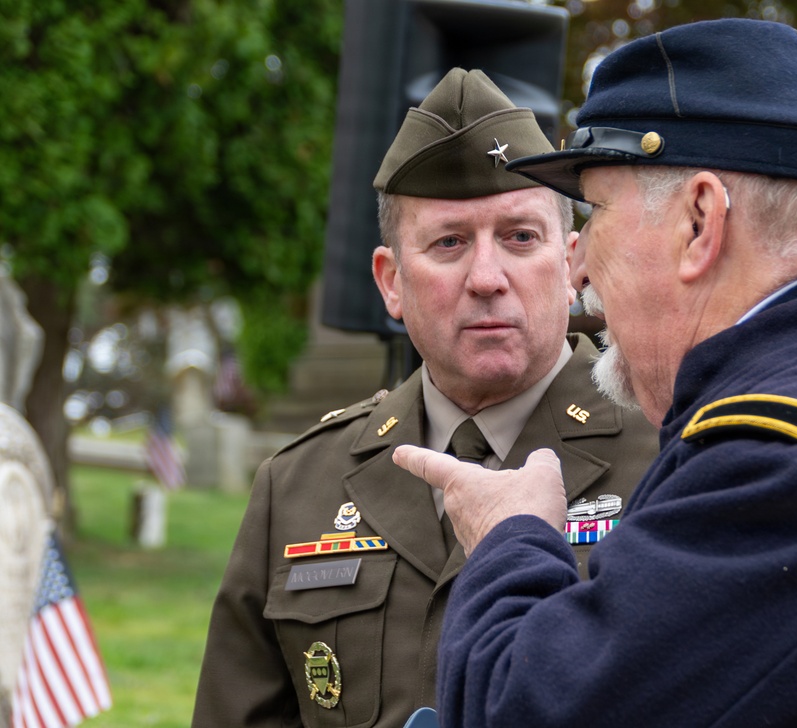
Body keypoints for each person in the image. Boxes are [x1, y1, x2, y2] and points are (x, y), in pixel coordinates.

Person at [392, 19, 797, 727]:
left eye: (599, 213)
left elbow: (528, 709)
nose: (577, 267)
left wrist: (511, 535)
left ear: (699, 221)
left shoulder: (790, 462)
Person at [192, 68, 658, 727]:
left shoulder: (669, 453)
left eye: (521, 238)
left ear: (570, 263)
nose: (488, 278)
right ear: (391, 282)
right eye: (449, 243)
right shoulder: (299, 486)